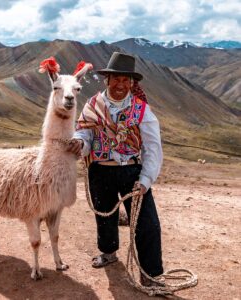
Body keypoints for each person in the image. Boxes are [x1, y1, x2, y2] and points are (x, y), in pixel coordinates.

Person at [68, 52, 164, 286]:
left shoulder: (142, 111)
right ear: (107, 80)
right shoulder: (92, 106)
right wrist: (79, 143)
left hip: (132, 172)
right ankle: (109, 252)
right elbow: (84, 133)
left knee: (147, 222)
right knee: (105, 216)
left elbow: (153, 146)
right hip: (100, 171)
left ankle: (150, 272)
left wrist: (145, 179)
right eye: (116, 79)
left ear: (131, 83)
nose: (120, 85)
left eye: (125, 80)